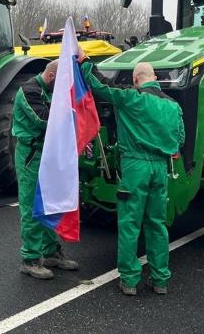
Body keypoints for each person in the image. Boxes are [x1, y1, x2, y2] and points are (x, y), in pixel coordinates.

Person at [81, 60, 185, 296]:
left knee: (130, 224)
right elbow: (180, 139)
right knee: (156, 224)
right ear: (155, 78)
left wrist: (86, 63)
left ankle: (129, 280)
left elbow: (100, 86)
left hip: (135, 167)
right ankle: (160, 280)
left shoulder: (132, 97)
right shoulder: (173, 106)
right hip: (161, 169)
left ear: (136, 80)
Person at [11, 59, 79, 279]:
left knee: (51, 203)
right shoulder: (29, 91)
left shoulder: (49, 90)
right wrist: (72, 113)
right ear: (51, 76)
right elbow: (43, 118)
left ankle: (50, 252)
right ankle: (30, 258)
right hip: (32, 155)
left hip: (49, 153)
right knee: (32, 206)